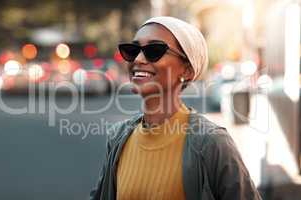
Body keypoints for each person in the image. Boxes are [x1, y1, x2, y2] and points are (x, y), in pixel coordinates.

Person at [89, 16, 262, 200]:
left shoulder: (212, 143)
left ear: (187, 70)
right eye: (132, 50)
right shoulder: (119, 139)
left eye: (154, 50)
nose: (138, 59)